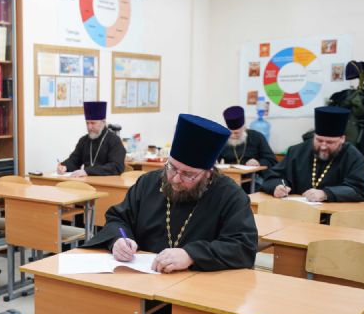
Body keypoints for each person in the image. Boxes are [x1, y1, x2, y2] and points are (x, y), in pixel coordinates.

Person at [84, 113, 257, 273]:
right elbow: (118, 219)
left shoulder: (230, 195)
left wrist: (191, 255)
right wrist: (118, 240)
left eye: (188, 174)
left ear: (208, 173)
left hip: (197, 285)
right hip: (142, 279)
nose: (175, 179)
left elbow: (242, 246)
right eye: (171, 167)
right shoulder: (148, 183)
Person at [261, 106, 364, 202]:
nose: (323, 146)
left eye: (330, 142)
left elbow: (359, 190)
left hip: (336, 215)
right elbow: (272, 178)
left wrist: (326, 194)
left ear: (342, 139)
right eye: (319, 140)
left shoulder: (353, 156)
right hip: (298, 212)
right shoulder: (296, 151)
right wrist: (277, 187)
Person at [57, 101, 126, 177]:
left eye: (93, 123)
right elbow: (74, 160)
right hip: (87, 181)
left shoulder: (114, 140)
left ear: (103, 122)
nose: (89, 127)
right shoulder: (84, 140)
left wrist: (87, 171)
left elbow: (116, 167)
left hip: (108, 182)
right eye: (87, 123)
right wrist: (65, 167)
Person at [218, 105, 277, 192]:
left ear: (243, 127)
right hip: (229, 181)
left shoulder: (256, 137)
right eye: (232, 133)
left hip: (253, 180)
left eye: (237, 133)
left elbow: (271, 160)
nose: (234, 136)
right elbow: (214, 160)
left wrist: (258, 162)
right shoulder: (223, 140)